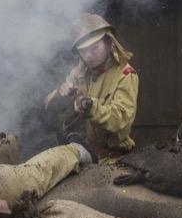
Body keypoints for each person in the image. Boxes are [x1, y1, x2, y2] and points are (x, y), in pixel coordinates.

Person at [44, 13, 138, 163]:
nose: (88, 55)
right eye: (83, 50)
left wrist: (90, 106)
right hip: (83, 155)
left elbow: (120, 120)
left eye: (94, 47)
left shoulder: (125, 74)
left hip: (112, 161)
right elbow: (48, 107)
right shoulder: (79, 73)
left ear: (108, 41)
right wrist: (61, 95)